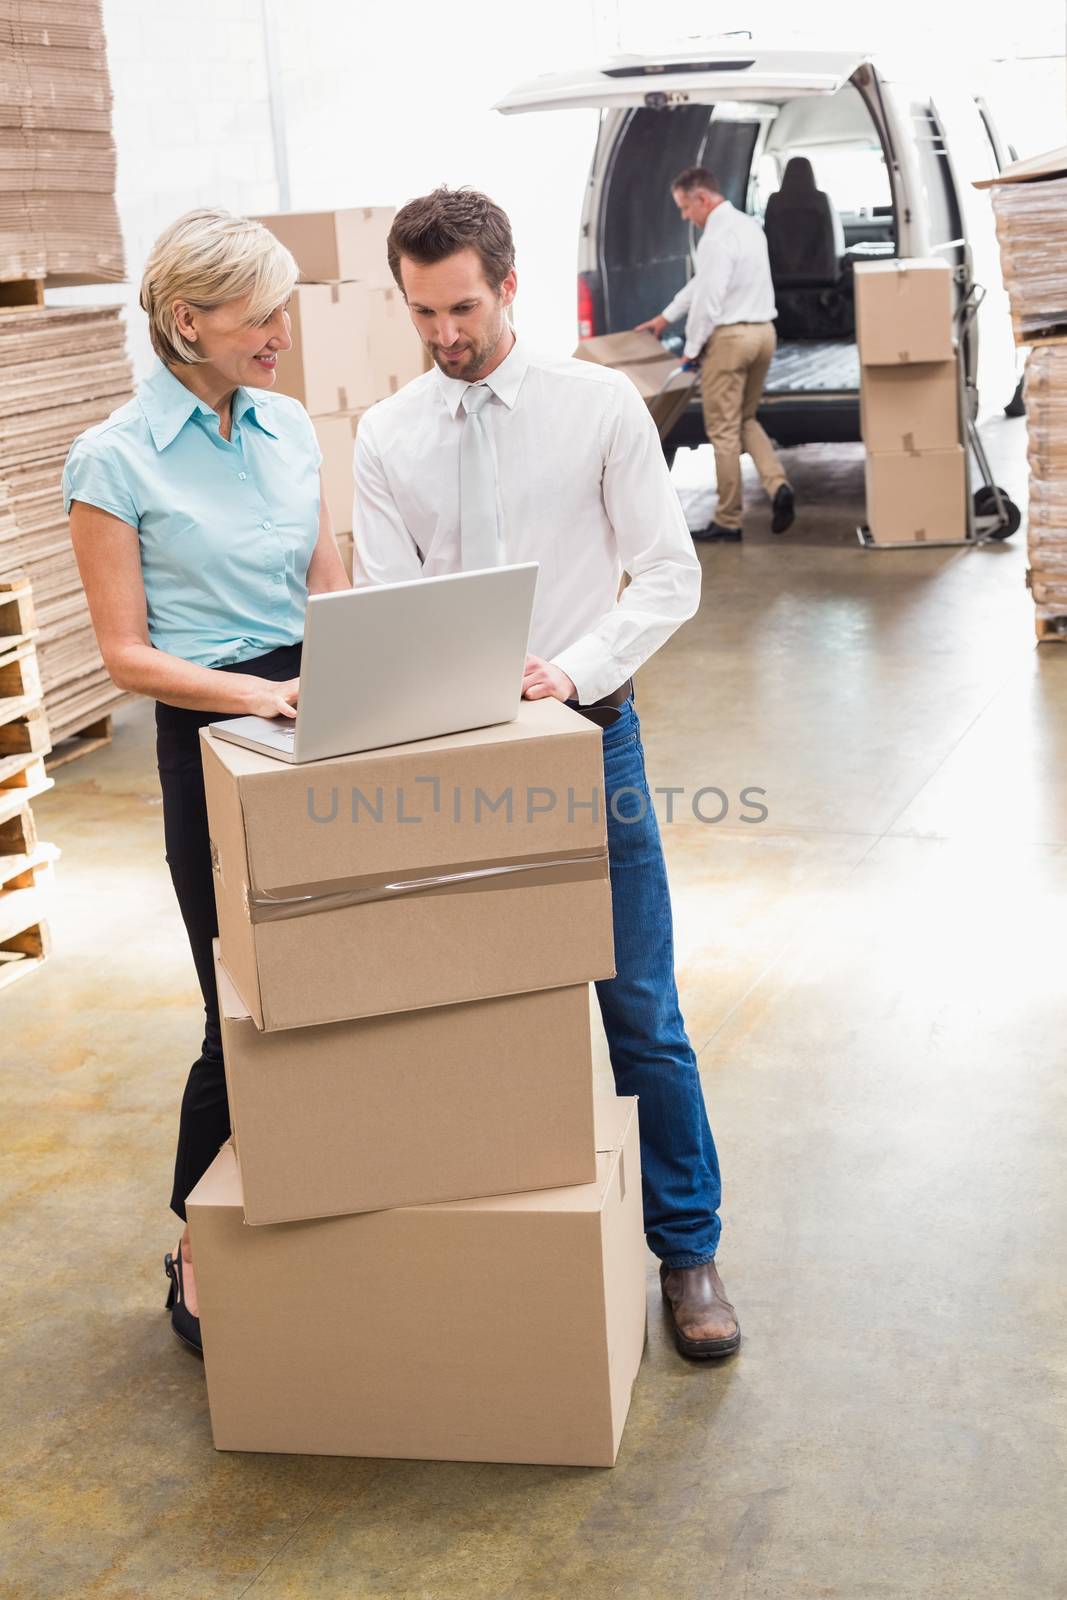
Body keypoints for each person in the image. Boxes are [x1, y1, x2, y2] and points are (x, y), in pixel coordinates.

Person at [353, 186, 740, 1360]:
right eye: (421, 313)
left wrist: (568, 673)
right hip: (455, 761)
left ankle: (688, 1251)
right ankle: (504, 1252)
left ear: (508, 285)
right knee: (482, 1014)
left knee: (640, 1013)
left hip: (586, 742)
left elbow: (667, 577)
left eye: (461, 307)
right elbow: (384, 602)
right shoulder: (388, 434)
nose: (444, 336)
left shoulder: (596, 408)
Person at [63, 209, 350, 1355]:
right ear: (190, 322)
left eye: (286, 304)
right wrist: (259, 698)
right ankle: (195, 1239)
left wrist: (365, 675)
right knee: (239, 1010)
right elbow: (124, 656)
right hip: (216, 734)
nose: (283, 328)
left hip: (320, 715)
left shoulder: (285, 426)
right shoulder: (113, 457)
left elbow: (328, 588)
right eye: (261, 310)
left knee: (340, 991)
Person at [636, 166, 795, 543]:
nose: (684, 216)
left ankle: (727, 520)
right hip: (764, 334)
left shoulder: (715, 239)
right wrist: (666, 316)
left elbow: (708, 302)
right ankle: (778, 486)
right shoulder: (748, 227)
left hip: (732, 341)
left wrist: (691, 353)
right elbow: (701, 284)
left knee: (722, 432)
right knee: (745, 418)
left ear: (702, 198)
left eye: (685, 207)